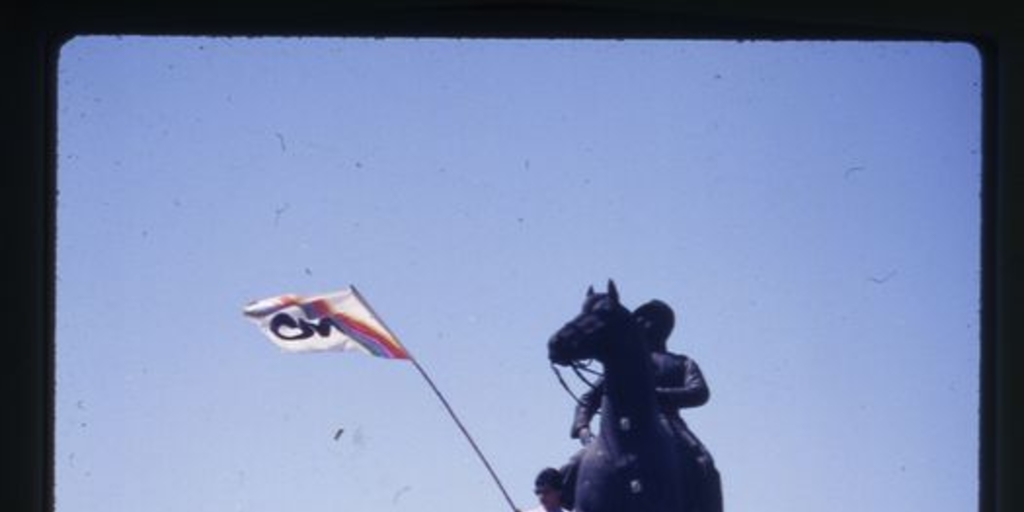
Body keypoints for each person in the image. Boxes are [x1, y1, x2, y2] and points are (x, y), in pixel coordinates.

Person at [560, 299, 723, 512]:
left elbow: (699, 392)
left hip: (668, 422)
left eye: (649, 318)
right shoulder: (623, 364)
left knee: (704, 464)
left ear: (663, 326)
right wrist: (582, 426)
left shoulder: (681, 362)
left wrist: (654, 396)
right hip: (619, 427)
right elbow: (589, 399)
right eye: (640, 319)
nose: (643, 323)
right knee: (571, 466)